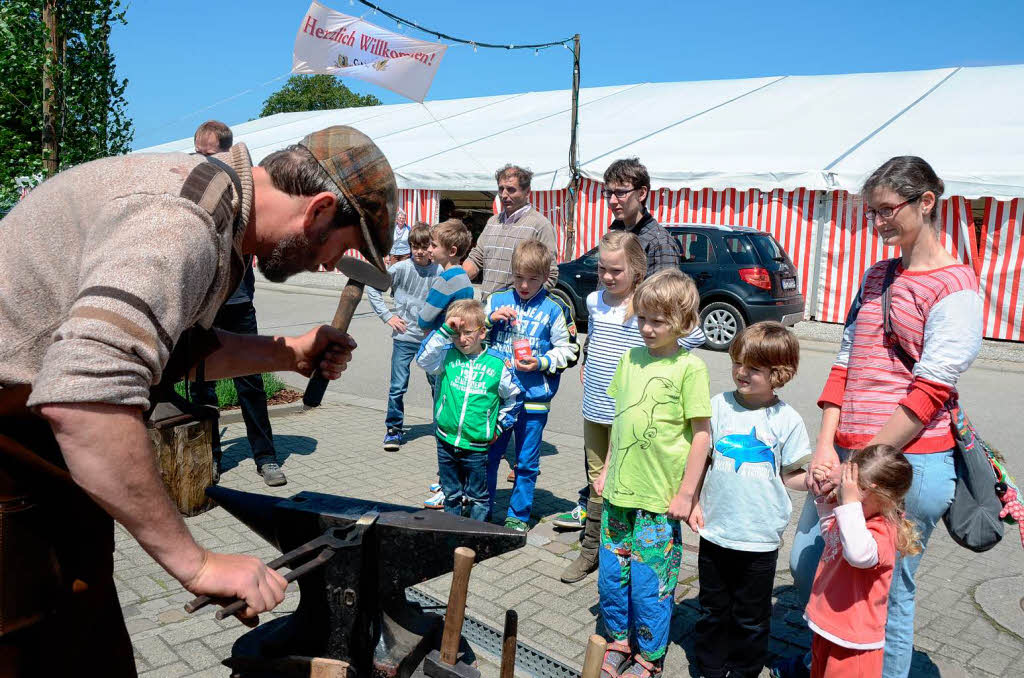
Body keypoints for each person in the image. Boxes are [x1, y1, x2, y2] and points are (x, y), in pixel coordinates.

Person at [0, 125, 396, 676]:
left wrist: (290, 353)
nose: (331, 266)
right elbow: (85, 396)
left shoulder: (220, 212)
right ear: (321, 209)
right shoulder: (184, 220)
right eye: (344, 248)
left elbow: (173, 352)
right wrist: (199, 561)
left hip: (47, 460)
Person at [775, 156, 983, 678]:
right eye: (873, 212)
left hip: (904, 466)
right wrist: (826, 445)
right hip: (847, 452)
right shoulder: (876, 276)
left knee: (889, 595)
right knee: (810, 562)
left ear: (926, 202)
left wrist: (863, 463)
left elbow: (930, 390)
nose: (878, 222)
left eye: (887, 210)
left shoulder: (957, 288)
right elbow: (846, 360)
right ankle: (830, 654)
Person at [559, 232, 704, 583]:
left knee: (629, 479)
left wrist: (670, 335)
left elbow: (693, 334)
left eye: (616, 270)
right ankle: (591, 549)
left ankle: (633, 549)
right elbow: (592, 337)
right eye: (602, 269)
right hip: (596, 402)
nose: (608, 277)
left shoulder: (645, 305)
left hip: (633, 410)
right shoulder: (594, 300)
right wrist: (587, 363)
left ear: (637, 270)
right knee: (597, 480)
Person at [594, 269, 712, 677]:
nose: (646, 328)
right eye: (642, 318)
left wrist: (687, 493)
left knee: (650, 583)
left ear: (684, 322)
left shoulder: (690, 368)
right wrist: (607, 468)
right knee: (612, 576)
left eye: (657, 321)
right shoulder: (630, 358)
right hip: (618, 495)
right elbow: (621, 419)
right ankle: (619, 640)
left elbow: (701, 437)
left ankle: (649, 653)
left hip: (659, 500)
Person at [684, 322, 811, 678]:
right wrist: (691, 500)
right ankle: (709, 666)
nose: (741, 372)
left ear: (779, 374)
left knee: (751, 616)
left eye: (753, 368)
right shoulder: (717, 406)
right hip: (715, 531)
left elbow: (791, 475)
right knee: (712, 609)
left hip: (759, 538)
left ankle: (744, 670)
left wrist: (814, 480)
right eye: (738, 362)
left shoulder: (787, 420)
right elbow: (702, 459)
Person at [188, 120, 284, 487]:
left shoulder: (245, 189)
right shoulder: (193, 187)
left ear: (226, 151)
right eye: (198, 154)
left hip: (237, 301)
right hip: (200, 304)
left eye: (208, 154)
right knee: (200, 383)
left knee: (250, 381)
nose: (202, 161)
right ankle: (208, 455)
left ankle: (266, 457)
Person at [484, 240, 579, 531]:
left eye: (533, 279)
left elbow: (571, 351)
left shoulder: (556, 307)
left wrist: (541, 363)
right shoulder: (497, 300)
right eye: (519, 277)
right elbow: (472, 338)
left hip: (534, 399)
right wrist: (488, 321)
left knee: (526, 462)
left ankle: (518, 515)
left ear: (546, 276)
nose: (524, 285)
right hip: (497, 398)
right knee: (488, 455)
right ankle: (481, 508)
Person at [805, 445, 921, 678]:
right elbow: (833, 538)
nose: (850, 505)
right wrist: (827, 500)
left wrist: (849, 505)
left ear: (885, 499)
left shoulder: (884, 530)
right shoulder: (856, 518)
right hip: (829, 628)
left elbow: (857, 555)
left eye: (859, 501)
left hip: (854, 642)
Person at [416, 300, 523, 521]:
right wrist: (445, 329)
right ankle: (451, 534)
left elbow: (514, 397)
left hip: (476, 446)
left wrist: (499, 427)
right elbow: (423, 359)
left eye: (467, 333)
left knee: (478, 497)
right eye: (456, 333)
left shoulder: (497, 363)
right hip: (445, 441)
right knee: (451, 494)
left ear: (482, 332)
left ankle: (475, 537)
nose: (461, 339)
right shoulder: (446, 355)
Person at [367, 223, 440, 451]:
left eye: (424, 246)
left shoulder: (439, 271)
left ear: (431, 247)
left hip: (431, 340)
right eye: (414, 246)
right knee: (398, 386)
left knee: (438, 385)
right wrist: (388, 317)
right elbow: (373, 286)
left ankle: (442, 427)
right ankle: (394, 430)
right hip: (404, 338)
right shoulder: (400, 269)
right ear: (409, 246)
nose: (419, 251)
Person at [463, 164, 559, 296]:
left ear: (527, 192)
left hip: (516, 312)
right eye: (501, 189)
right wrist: (454, 279)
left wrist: (523, 301)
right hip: (487, 307)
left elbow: (550, 273)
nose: (504, 195)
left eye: (511, 190)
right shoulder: (492, 222)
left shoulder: (540, 225)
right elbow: (476, 259)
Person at [604, 158, 682, 276]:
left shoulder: (659, 244)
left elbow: (666, 294)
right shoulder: (617, 234)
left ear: (641, 193)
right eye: (609, 193)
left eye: (621, 192)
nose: (612, 201)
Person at [417, 219, 475, 335]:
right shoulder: (464, 277)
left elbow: (424, 320)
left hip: (440, 343)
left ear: (452, 251)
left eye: (434, 245)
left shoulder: (446, 281)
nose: (429, 249)